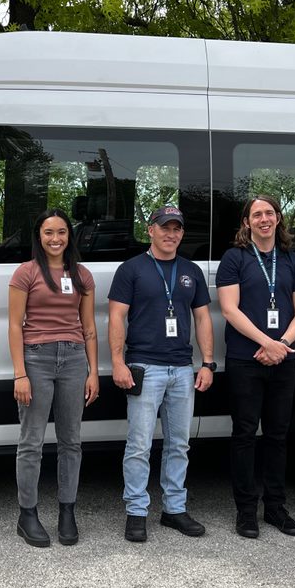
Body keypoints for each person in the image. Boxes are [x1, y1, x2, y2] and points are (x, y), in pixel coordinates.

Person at [108, 205, 214, 543]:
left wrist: (208, 362)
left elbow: (202, 318)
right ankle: (136, 511)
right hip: (144, 367)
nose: (171, 234)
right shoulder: (131, 269)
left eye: (177, 229)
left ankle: (174, 509)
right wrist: (118, 363)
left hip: (183, 369)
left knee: (179, 444)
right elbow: (116, 317)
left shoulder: (191, 271)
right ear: (150, 229)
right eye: (165, 227)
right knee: (139, 444)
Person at [216, 195, 295, 539]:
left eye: (269, 213)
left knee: (277, 435)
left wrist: (282, 344)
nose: (263, 219)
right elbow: (230, 309)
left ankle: (275, 507)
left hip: (282, 359)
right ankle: (246, 510)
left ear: (278, 218)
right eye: (256, 214)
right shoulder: (234, 258)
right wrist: (266, 342)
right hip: (246, 359)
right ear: (247, 222)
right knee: (244, 434)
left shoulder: (291, 260)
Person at [8, 208, 99, 548]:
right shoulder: (25, 274)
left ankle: (66, 511)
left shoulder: (81, 275)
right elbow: (15, 325)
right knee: (31, 442)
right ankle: (27, 514)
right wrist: (20, 374)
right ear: (39, 236)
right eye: (49, 232)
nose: (56, 238)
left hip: (74, 360)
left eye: (62, 232)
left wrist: (93, 372)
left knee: (71, 442)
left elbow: (89, 329)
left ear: (69, 236)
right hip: (37, 359)